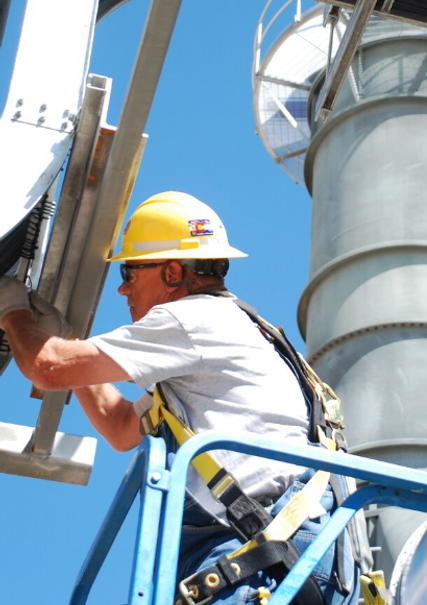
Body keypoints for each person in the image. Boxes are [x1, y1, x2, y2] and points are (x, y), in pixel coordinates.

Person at [0, 191, 357, 605]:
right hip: (294, 552)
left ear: (171, 272)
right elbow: (120, 428)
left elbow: (48, 368)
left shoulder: (192, 319)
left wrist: (13, 313)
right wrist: (66, 338)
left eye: (130, 272)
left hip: (261, 552)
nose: (123, 290)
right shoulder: (222, 343)